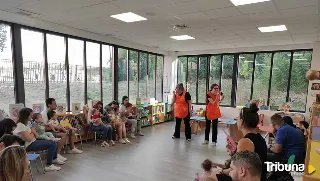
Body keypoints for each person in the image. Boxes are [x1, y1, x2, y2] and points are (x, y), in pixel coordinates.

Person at [233, 104, 267, 181]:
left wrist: (223, 171)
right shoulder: (260, 138)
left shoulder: (245, 142)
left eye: (237, 119)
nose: (237, 121)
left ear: (241, 122)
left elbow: (239, 170)